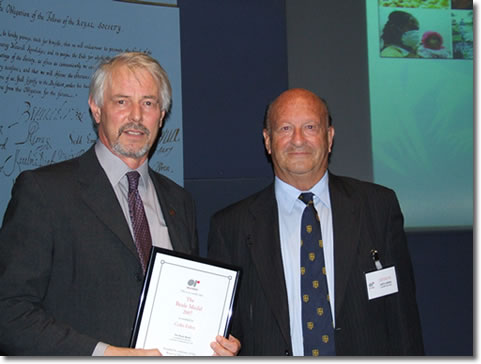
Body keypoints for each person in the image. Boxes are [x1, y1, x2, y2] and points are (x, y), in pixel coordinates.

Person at [0, 52, 240, 356]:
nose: (136, 116)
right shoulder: (45, 192)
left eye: (149, 103)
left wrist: (213, 341)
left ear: (162, 115)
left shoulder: (180, 202)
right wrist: (104, 354)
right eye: (122, 101)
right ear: (96, 109)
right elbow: (9, 313)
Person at [207, 88, 424, 356]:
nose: (298, 140)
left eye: (310, 127)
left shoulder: (377, 207)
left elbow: (403, 319)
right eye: (285, 128)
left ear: (329, 137)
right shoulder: (231, 227)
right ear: (267, 140)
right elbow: (226, 331)